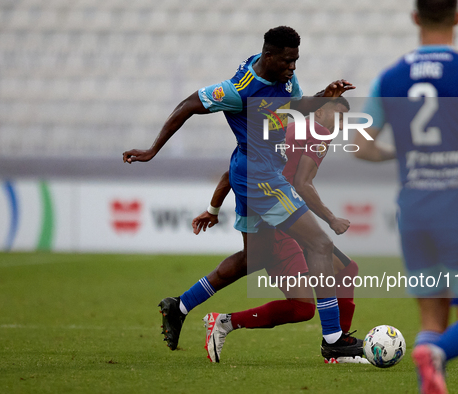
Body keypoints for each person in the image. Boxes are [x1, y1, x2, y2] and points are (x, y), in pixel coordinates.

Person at [123, 26, 358, 360]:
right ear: (269, 56)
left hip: (251, 172)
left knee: (254, 258)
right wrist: (151, 150)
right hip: (261, 179)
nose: (292, 68)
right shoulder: (238, 90)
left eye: (296, 61)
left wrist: (324, 95)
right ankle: (334, 340)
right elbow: (188, 104)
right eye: (287, 61)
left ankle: (180, 305)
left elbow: (298, 105)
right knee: (320, 243)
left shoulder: (285, 79)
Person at [354, 1, 458, 393]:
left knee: (431, 320)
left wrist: (404, 153)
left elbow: (359, 145)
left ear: (415, 18)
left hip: (413, 213)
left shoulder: (390, 76)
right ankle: (436, 355)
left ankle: (431, 371)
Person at [192, 98, 367, 363]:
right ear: (319, 112)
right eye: (339, 114)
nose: (342, 123)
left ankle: (336, 347)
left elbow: (235, 169)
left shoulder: (288, 127)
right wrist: (331, 219)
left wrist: (214, 208)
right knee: (302, 307)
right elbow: (302, 183)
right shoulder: (320, 133)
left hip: (277, 215)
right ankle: (224, 322)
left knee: (344, 271)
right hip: (282, 221)